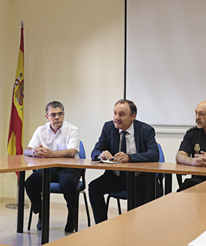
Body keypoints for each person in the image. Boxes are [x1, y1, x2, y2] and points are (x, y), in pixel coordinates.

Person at [88, 99, 159, 224]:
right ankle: (101, 226)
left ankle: (135, 231)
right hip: (116, 177)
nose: (117, 118)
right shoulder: (108, 127)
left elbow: (154, 154)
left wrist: (130, 158)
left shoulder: (145, 130)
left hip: (140, 178)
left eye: (121, 114)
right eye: (115, 113)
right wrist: (101, 156)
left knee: (140, 197)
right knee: (94, 187)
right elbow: (95, 151)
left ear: (133, 116)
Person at [24, 100, 81, 233]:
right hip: (47, 168)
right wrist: (33, 152)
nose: (57, 118)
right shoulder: (40, 130)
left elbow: (72, 152)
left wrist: (51, 154)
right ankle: (41, 210)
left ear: (64, 115)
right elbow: (27, 149)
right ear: (47, 117)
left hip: (69, 169)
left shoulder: (72, 129)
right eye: (53, 115)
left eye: (60, 114)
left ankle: (72, 215)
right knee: (30, 183)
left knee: (68, 183)